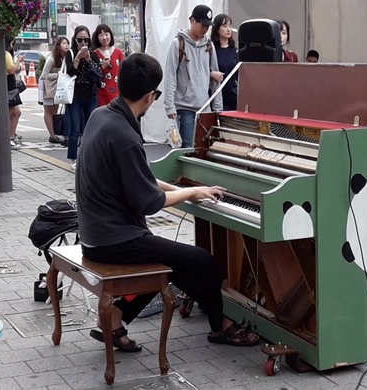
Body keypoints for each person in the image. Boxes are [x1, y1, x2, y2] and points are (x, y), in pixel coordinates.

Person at [76, 52, 259, 350]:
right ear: (150, 96)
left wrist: (177, 186)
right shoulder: (123, 133)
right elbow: (150, 201)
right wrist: (192, 191)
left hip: (94, 234)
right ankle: (220, 325)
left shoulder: (102, 116)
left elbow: (138, 176)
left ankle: (117, 315)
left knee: (171, 259)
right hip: (113, 240)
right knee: (202, 261)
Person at [164, 4, 223, 148]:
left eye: (207, 26)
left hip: (205, 108)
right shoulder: (178, 44)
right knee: (187, 150)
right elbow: (170, 76)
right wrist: (169, 107)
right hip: (185, 108)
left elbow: (216, 79)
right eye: (202, 24)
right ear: (192, 21)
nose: (205, 29)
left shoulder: (209, 46)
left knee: (205, 149)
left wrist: (218, 108)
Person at [65, 25, 102, 169]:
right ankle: (73, 159)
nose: (83, 43)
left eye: (86, 39)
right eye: (80, 39)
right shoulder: (71, 53)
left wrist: (88, 59)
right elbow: (70, 72)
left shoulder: (93, 54)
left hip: (90, 95)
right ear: (75, 39)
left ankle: (87, 158)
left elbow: (98, 74)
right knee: (75, 128)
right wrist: (78, 58)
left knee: (89, 128)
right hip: (74, 95)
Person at [40, 37, 70, 144]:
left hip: (58, 88)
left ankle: (55, 133)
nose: (66, 45)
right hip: (48, 88)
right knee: (48, 111)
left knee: (55, 110)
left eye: (67, 43)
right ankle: (52, 135)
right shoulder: (52, 58)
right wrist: (58, 75)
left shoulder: (66, 57)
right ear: (58, 46)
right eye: (64, 43)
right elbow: (44, 75)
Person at [210, 13, 238, 111]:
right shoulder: (211, 50)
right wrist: (211, 74)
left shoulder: (235, 51)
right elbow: (201, 70)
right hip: (214, 97)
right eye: (224, 26)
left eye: (230, 26)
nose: (228, 29)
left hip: (233, 99)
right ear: (217, 28)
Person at [91, 24, 124, 107]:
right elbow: (93, 75)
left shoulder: (118, 52)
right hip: (101, 95)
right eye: (101, 35)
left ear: (110, 35)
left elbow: (124, 71)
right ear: (97, 37)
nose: (104, 38)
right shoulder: (94, 54)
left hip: (117, 93)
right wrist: (103, 66)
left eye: (106, 34)